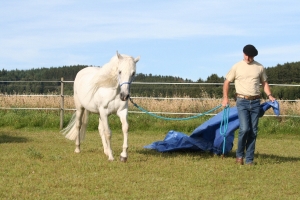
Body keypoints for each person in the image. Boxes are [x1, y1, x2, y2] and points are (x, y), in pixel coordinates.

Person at [221, 44, 275, 165]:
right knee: (244, 129)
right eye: (246, 55)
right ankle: (239, 156)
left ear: (253, 56)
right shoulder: (237, 66)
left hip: (256, 102)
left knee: (253, 131)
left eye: (250, 56)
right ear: (243, 53)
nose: (248, 58)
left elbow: (264, 83)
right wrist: (225, 98)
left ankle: (249, 159)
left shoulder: (259, 67)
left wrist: (270, 95)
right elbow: (227, 82)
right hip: (242, 101)